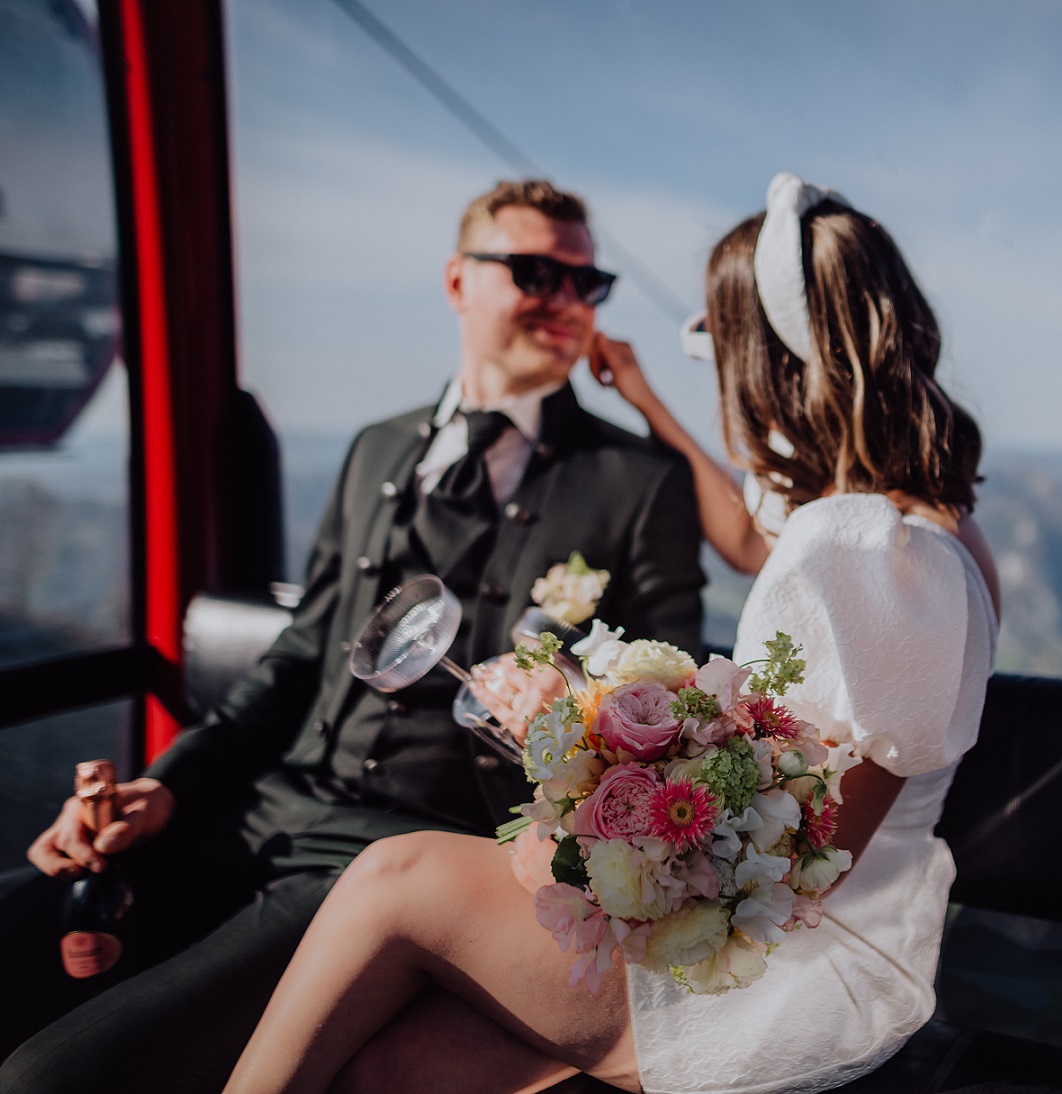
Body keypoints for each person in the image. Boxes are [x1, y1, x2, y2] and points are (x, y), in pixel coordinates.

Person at [222, 172, 1001, 1094]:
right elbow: (764, 549)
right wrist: (641, 395)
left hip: (781, 968)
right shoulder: (932, 534)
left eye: (719, 349)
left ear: (760, 363)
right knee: (393, 1070)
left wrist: (579, 762)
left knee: (395, 878)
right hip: (832, 936)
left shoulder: (853, 550)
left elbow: (802, 861)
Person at [0, 179, 705, 1093]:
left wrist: (571, 702)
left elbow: (668, 709)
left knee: (50, 1078)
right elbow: (294, 664)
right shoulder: (377, 448)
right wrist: (163, 791)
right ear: (458, 282)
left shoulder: (638, 482)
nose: (565, 300)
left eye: (586, 282)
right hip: (257, 810)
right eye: (535, 273)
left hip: (406, 857)